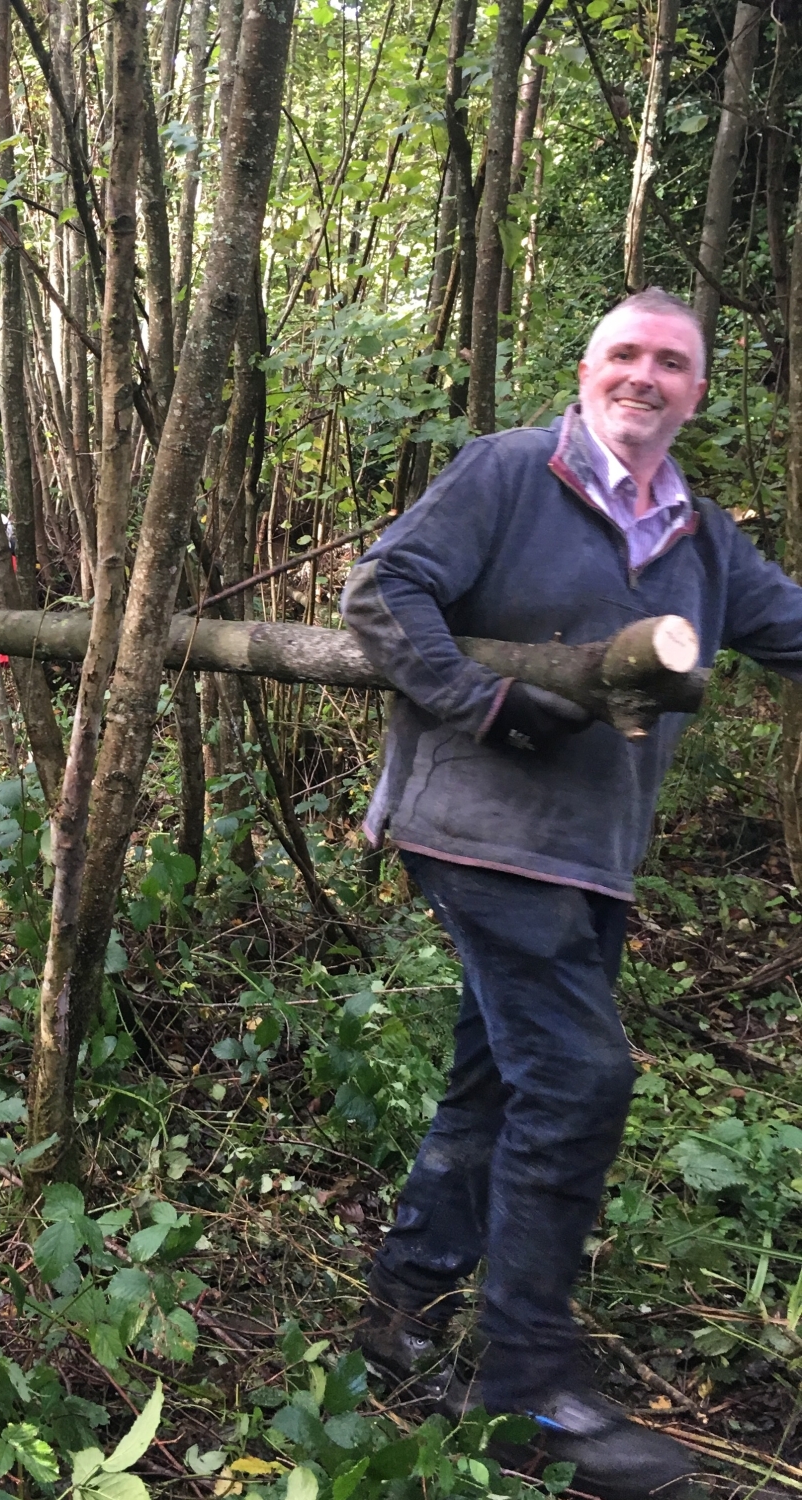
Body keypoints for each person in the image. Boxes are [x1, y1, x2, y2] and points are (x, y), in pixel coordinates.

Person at [340, 287, 802, 1497]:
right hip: (479, 829)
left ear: (698, 391)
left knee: (497, 1076)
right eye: (625, 354)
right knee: (580, 1076)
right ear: (588, 370)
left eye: (672, 362)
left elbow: (787, 623)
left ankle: (402, 1308)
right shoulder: (506, 472)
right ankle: (524, 1389)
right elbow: (386, 592)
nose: (645, 376)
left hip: (594, 853)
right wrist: (487, 703)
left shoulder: (700, 534)